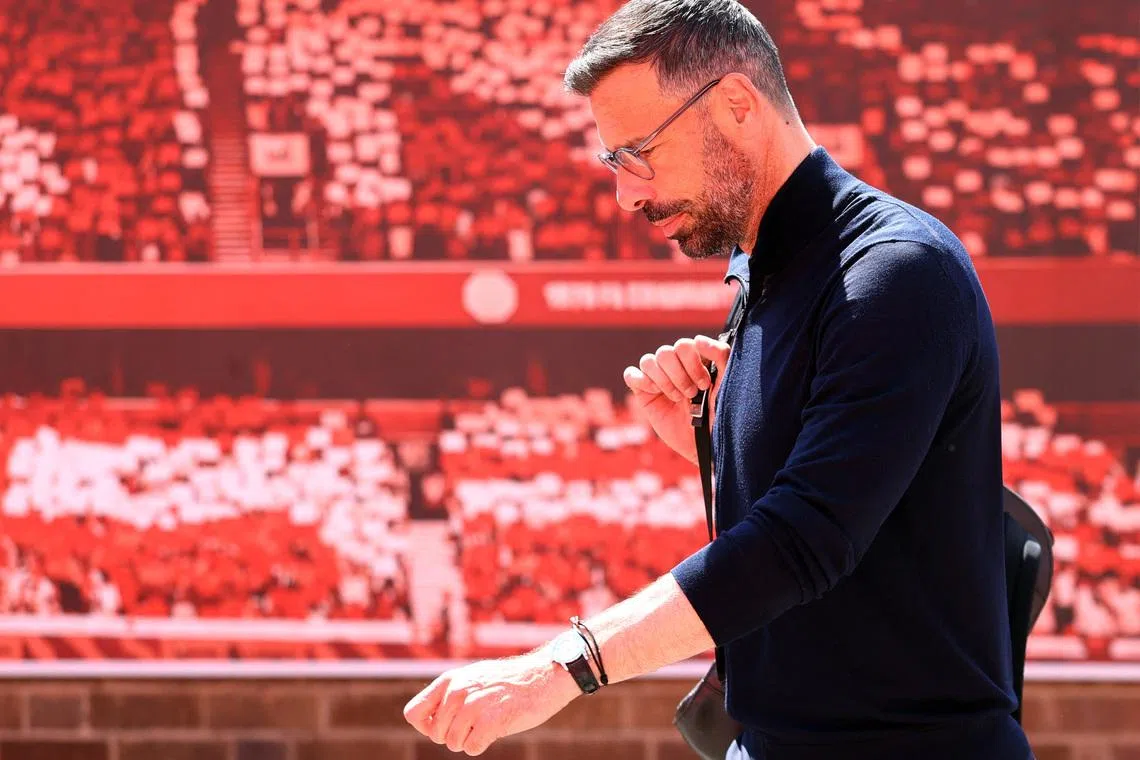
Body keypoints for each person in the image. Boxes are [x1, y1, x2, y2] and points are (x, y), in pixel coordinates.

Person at [403, 1, 1032, 758]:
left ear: (736, 105)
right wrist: (712, 449)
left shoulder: (895, 269)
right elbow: (858, 510)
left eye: (639, 153)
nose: (627, 195)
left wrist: (556, 669)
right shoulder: (768, 273)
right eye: (614, 162)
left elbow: (803, 540)